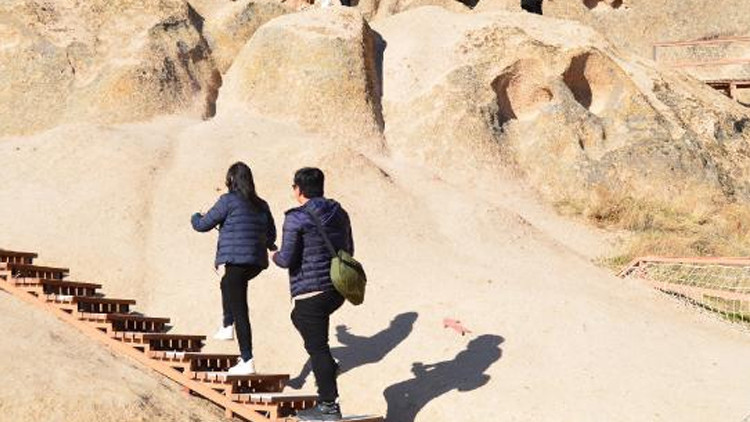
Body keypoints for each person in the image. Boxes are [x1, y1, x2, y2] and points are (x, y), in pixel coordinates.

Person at [272, 167, 354, 421]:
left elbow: (286, 259)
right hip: (337, 288)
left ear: (298, 189)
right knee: (298, 318)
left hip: (311, 291)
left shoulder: (296, 218)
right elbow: (349, 249)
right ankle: (328, 368)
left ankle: (328, 406)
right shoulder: (339, 212)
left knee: (318, 349)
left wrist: (272, 254)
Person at [191, 162, 276, 375]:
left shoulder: (228, 200)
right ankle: (227, 325)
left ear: (231, 180)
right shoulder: (262, 204)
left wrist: (195, 216)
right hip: (255, 263)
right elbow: (272, 235)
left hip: (236, 262)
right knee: (227, 283)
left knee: (240, 308)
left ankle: (247, 359)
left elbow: (203, 225)